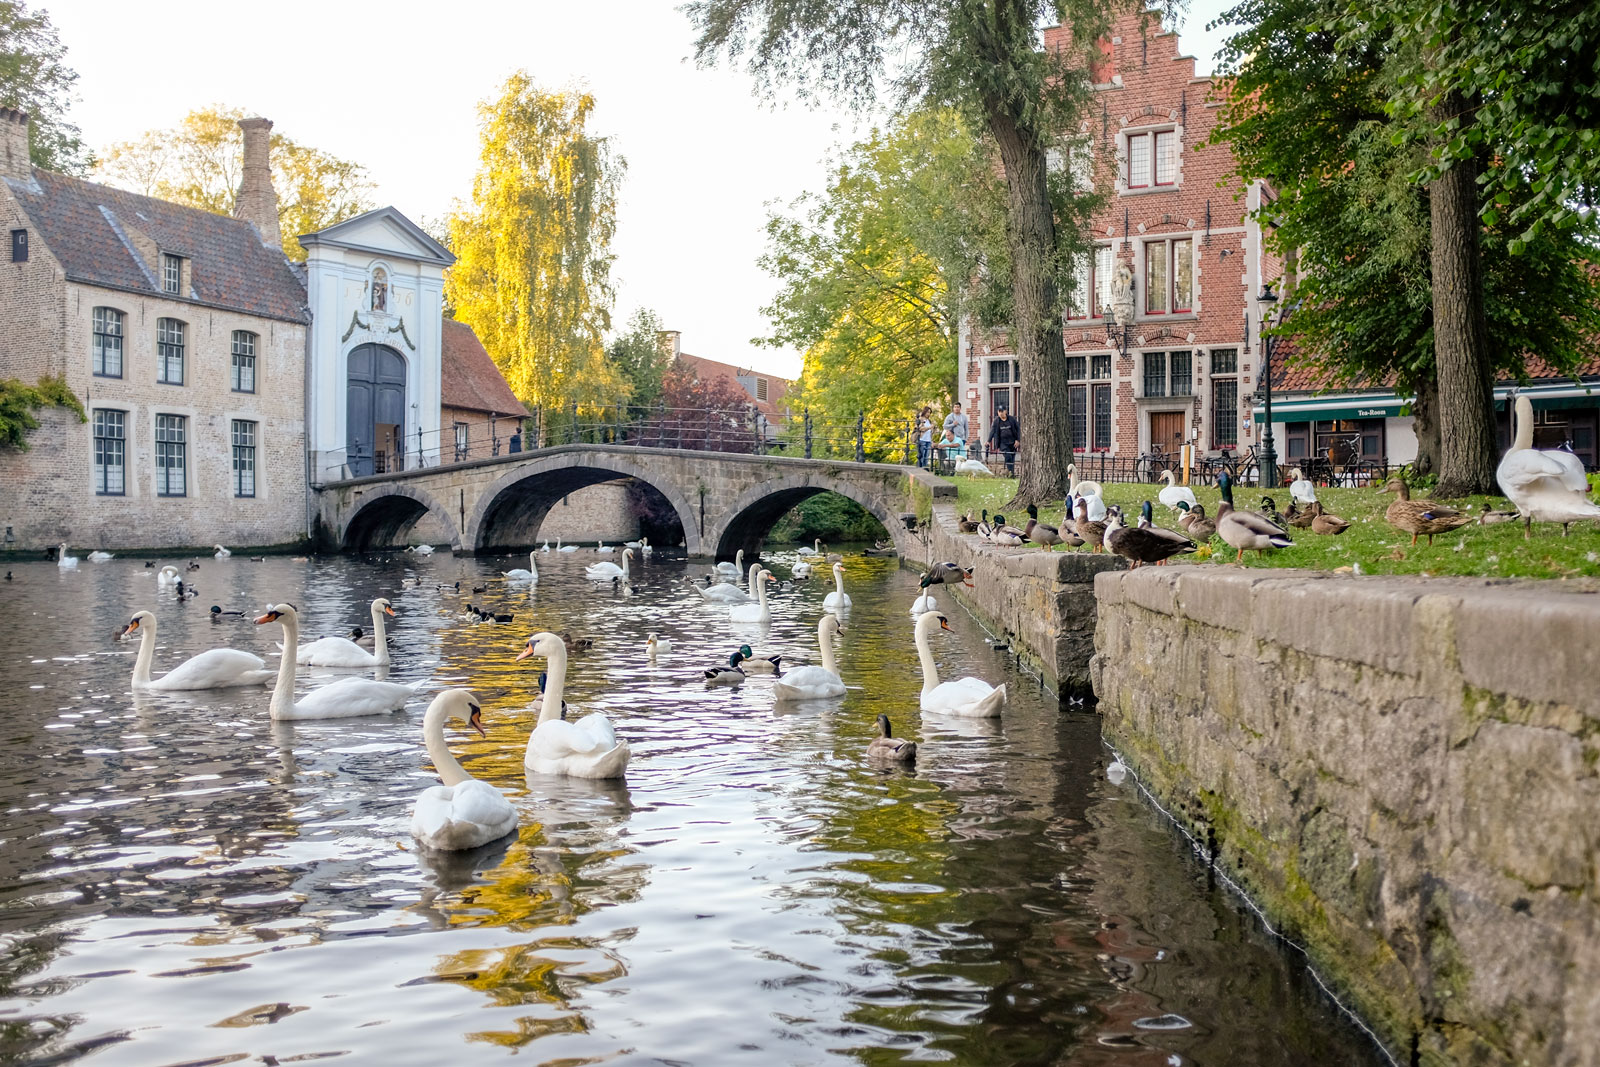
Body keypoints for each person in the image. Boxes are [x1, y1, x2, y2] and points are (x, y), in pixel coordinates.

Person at [988, 404, 1020, 475]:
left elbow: (1018, 429)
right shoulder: (996, 421)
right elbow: (992, 431)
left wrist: (1018, 440)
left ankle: (1011, 473)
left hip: (1012, 442)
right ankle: (1011, 472)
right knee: (1007, 456)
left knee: (1012, 458)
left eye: (1002, 411)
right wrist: (988, 441)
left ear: (1006, 411)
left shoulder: (1012, 419)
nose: (1001, 413)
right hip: (1003, 443)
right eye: (999, 411)